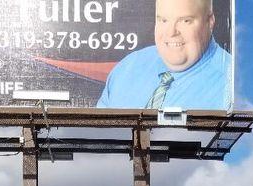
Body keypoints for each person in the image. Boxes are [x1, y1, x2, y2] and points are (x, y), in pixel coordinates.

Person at [97, 0, 232, 110]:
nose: (171, 32)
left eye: (185, 21)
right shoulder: (127, 68)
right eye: (163, 20)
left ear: (210, 21)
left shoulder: (232, 86)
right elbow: (96, 137)